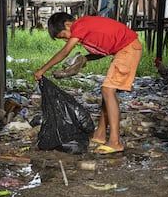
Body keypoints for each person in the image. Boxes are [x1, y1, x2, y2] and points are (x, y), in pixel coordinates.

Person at [34, 12, 142, 154]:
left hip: (128, 49)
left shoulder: (80, 26)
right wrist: (85, 59)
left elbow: (65, 52)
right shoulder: (85, 28)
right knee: (106, 93)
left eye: (63, 36)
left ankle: (115, 142)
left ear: (68, 25)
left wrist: (42, 70)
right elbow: (104, 50)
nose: (66, 41)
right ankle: (100, 135)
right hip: (125, 49)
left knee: (107, 91)